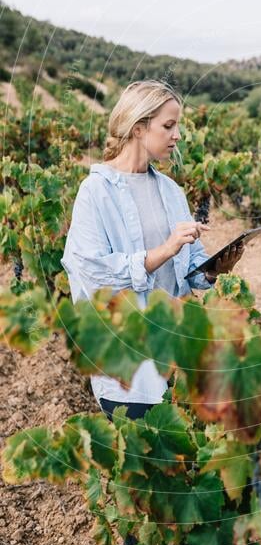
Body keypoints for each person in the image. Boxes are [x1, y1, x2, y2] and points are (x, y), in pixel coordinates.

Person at [60, 78, 243, 423]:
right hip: (127, 365)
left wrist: (212, 270)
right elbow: (94, 272)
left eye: (178, 126)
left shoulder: (172, 191)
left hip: (173, 354)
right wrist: (165, 249)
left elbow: (187, 272)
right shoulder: (96, 192)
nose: (177, 136)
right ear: (139, 128)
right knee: (138, 461)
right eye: (169, 126)